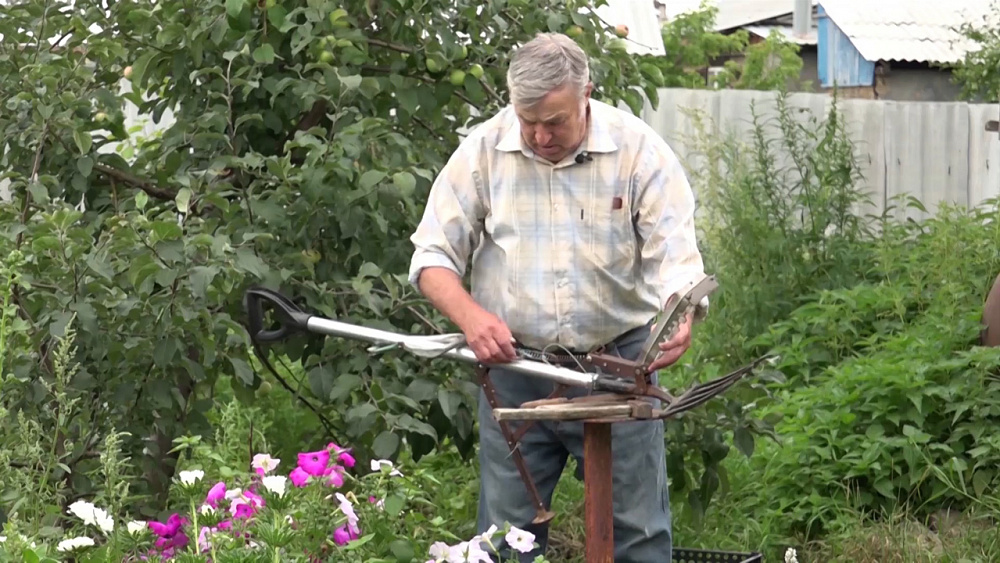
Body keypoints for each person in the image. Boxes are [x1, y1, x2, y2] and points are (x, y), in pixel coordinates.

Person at [407, 31, 708, 563]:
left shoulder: (638, 151)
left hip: (618, 367)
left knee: (637, 537)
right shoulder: (482, 152)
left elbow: (676, 258)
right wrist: (470, 317)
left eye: (555, 122)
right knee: (504, 540)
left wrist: (680, 310)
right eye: (529, 122)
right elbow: (431, 259)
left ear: (586, 93)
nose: (541, 136)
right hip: (514, 368)